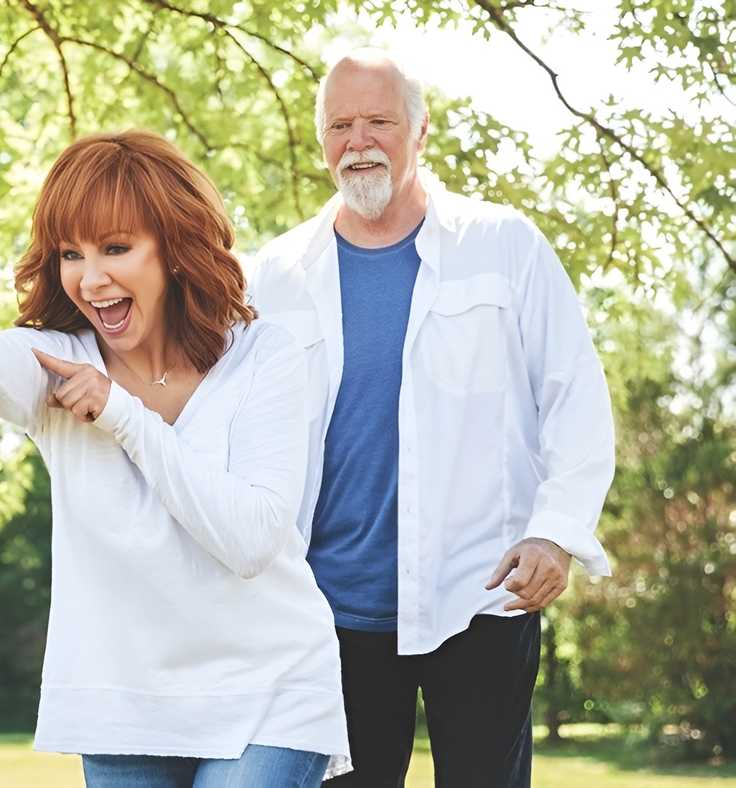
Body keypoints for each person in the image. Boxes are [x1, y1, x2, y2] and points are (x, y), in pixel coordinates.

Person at [0, 130, 350, 786]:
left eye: (117, 248)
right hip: (122, 698)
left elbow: (252, 541)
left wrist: (124, 416)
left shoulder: (265, 357)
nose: (92, 280)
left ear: (174, 249)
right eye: (72, 254)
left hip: (270, 688)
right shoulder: (59, 363)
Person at [249, 49, 615, 787]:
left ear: (419, 133)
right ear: (322, 142)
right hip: (326, 613)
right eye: (339, 125)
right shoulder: (275, 276)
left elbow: (574, 395)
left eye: (378, 121)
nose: (358, 141)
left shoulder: (503, 245)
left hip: (480, 596)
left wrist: (555, 532)